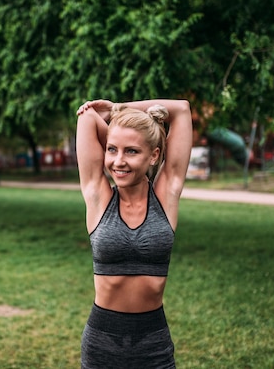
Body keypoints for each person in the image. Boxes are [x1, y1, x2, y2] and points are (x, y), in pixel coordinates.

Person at [76, 98, 192, 369]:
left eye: (131, 152)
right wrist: (115, 115)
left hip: (153, 345)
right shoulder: (98, 197)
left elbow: (182, 109)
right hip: (101, 344)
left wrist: (118, 105)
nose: (118, 161)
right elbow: (87, 117)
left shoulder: (165, 197)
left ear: (153, 155)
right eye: (112, 149)